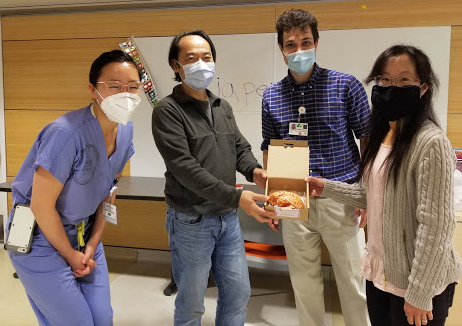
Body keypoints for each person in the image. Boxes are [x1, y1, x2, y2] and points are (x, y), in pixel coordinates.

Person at [307, 45, 462, 326]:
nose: (393, 86)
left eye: (404, 80)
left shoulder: (431, 143)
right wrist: (325, 187)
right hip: (382, 274)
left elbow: (436, 227)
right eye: (385, 80)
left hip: (416, 284)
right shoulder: (383, 136)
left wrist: (419, 292)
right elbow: (374, 196)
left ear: (423, 87)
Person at [6, 49, 142, 326]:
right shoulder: (66, 133)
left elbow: (109, 192)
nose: (124, 94)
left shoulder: (125, 131)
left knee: (102, 319)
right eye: (114, 86)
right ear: (93, 90)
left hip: (85, 234)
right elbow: (40, 206)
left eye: (133, 87)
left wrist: (92, 244)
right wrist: (70, 255)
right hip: (38, 238)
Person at [152, 30, 275, 326]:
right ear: (175, 66)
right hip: (190, 220)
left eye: (206, 57)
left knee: (237, 294)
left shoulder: (223, 106)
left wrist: (254, 171)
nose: (201, 64)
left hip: (227, 218)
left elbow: (240, 147)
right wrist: (237, 196)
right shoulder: (167, 111)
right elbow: (185, 169)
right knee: (192, 303)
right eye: (191, 58)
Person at [261, 9, 371, 326]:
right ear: (281, 49)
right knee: (304, 283)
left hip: (342, 196)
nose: (299, 51)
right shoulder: (271, 96)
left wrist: (367, 196)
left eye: (305, 42)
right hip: (291, 197)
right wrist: (272, 200)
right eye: (291, 45)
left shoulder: (346, 86)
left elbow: (369, 142)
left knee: (354, 283)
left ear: (317, 43)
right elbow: (269, 148)